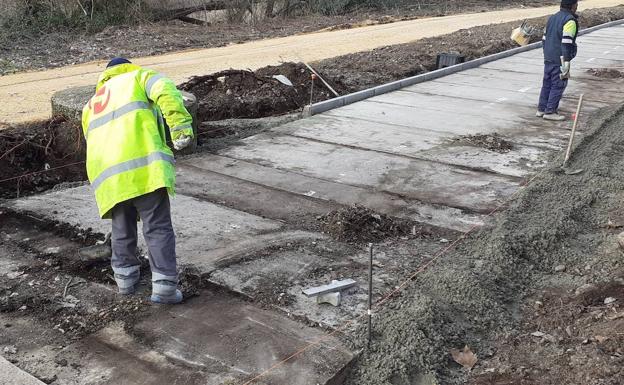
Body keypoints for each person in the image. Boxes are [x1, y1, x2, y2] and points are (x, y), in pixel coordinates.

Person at [81, 58, 194, 304]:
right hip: (144, 169)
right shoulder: (138, 77)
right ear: (128, 66)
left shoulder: (91, 103)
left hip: (109, 179)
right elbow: (166, 90)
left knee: (121, 228)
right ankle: (164, 288)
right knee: (157, 227)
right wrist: (180, 127)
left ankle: (125, 281)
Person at [536, 0, 579, 121]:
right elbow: (566, 42)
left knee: (547, 83)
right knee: (559, 84)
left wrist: (547, 54)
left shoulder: (552, 18)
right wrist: (566, 61)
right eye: (576, 4)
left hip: (549, 57)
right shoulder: (569, 21)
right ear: (572, 6)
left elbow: (544, 39)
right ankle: (550, 111)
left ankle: (541, 109)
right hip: (559, 58)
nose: (577, 7)